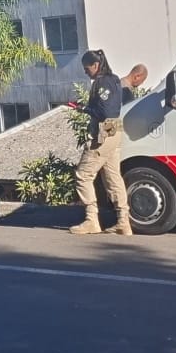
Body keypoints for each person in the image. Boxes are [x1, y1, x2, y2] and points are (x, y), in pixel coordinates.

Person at [68, 49, 131, 236]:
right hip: (115, 128)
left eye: (87, 68)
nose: (85, 72)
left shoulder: (102, 82)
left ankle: (91, 220)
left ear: (96, 65)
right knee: (113, 176)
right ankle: (123, 221)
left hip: (104, 129)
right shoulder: (115, 79)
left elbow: (104, 112)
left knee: (83, 174)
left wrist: (85, 109)